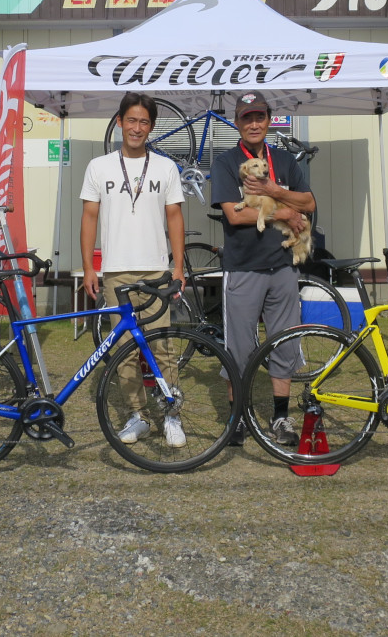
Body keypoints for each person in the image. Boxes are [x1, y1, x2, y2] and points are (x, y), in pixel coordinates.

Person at [80, 92, 187, 447]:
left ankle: (171, 414)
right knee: (124, 348)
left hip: (156, 270)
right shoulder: (99, 166)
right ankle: (136, 416)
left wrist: (178, 267)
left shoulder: (165, 167)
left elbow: (175, 217)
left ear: (151, 127)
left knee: (163, 346)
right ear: (120, 121)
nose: (136, 128)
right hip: (116, 271)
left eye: (144, 122)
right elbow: (89, 218)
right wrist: (88, 268)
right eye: (131, 120)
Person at [210, 90, 315, 447]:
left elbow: (310, 202)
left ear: (269, 120)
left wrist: (273, 189)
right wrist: (284, 211)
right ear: (237, 122)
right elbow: (234, 214)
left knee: (284, 343)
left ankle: (281, 417)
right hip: (243, 268)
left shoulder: (284, 160)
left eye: (259, 117)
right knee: (238, 346)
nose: (253, 123)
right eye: (246, 118)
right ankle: (237, 417)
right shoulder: (226, 163)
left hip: (283, 266)